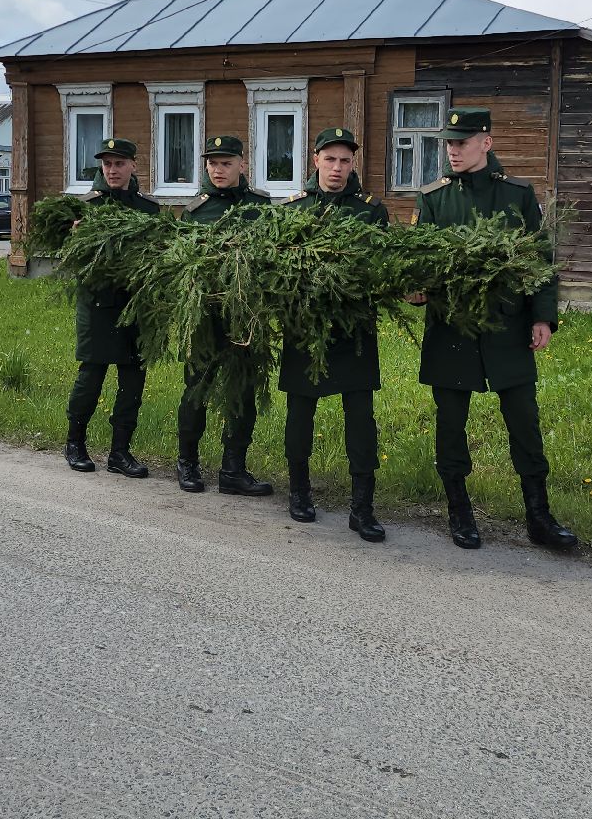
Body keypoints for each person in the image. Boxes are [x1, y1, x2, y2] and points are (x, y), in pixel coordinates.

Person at [414, 107, 576, 550]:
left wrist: (542, 316)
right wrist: (416, 288)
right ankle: (459, 511)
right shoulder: (433, 199)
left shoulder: (519, 195)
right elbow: (420, 262)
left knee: (524, 420)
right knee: (451, 423)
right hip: (452, 328)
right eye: (449, 143)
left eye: (461, 142)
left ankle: (539, 516)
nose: (453, 150)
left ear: (486, 142)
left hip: (509, 328)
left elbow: (541, 260)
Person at [279, 127, 387, 542]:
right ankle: (299, 492)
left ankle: (362, 507)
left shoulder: (370, 211)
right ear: (315, 160)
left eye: (345, 161)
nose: (337, 168)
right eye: (330, 159)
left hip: (354, 328)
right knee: (301, 412)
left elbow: (381, 265)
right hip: (304, 328)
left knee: (360, 416)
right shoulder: (292, 211)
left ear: (352, 164)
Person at [175, 134, 273, 497]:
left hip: (245, 318)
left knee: (243, 390)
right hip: (204, 318)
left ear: (242, 165)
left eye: (226, 163)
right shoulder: (195, 212)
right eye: (213, 163)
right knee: (196, 389)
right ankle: (187, 463)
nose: (219, 169)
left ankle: (233, 469)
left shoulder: (260, 208)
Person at [64, 138, 160, 480]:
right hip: (98, 306)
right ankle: (75, 442)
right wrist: (75, 241)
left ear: (133, 165)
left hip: (136, 308)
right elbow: (68, 261)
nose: (112, 170)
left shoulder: (148, 209)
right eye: (107, 164)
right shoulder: (86, 209)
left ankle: (120, 452)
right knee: (91, 376)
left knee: (132, 381)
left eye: (119, 163)